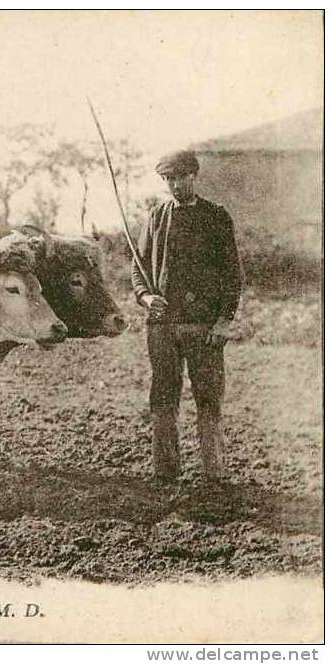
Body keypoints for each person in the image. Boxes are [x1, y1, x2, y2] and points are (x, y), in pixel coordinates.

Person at [131, 149, 243, 482]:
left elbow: (232, 274)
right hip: (162, 327)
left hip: (204, 327)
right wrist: (146, 296)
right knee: (163, 398)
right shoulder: (156, 217)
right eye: (168, 180)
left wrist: (224, 320)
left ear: (193, 175)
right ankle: (166, 474)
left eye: (180, 178)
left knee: (208, 399)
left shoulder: (216, 216)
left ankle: (215, 473)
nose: (174, 185)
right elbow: (137, 270)